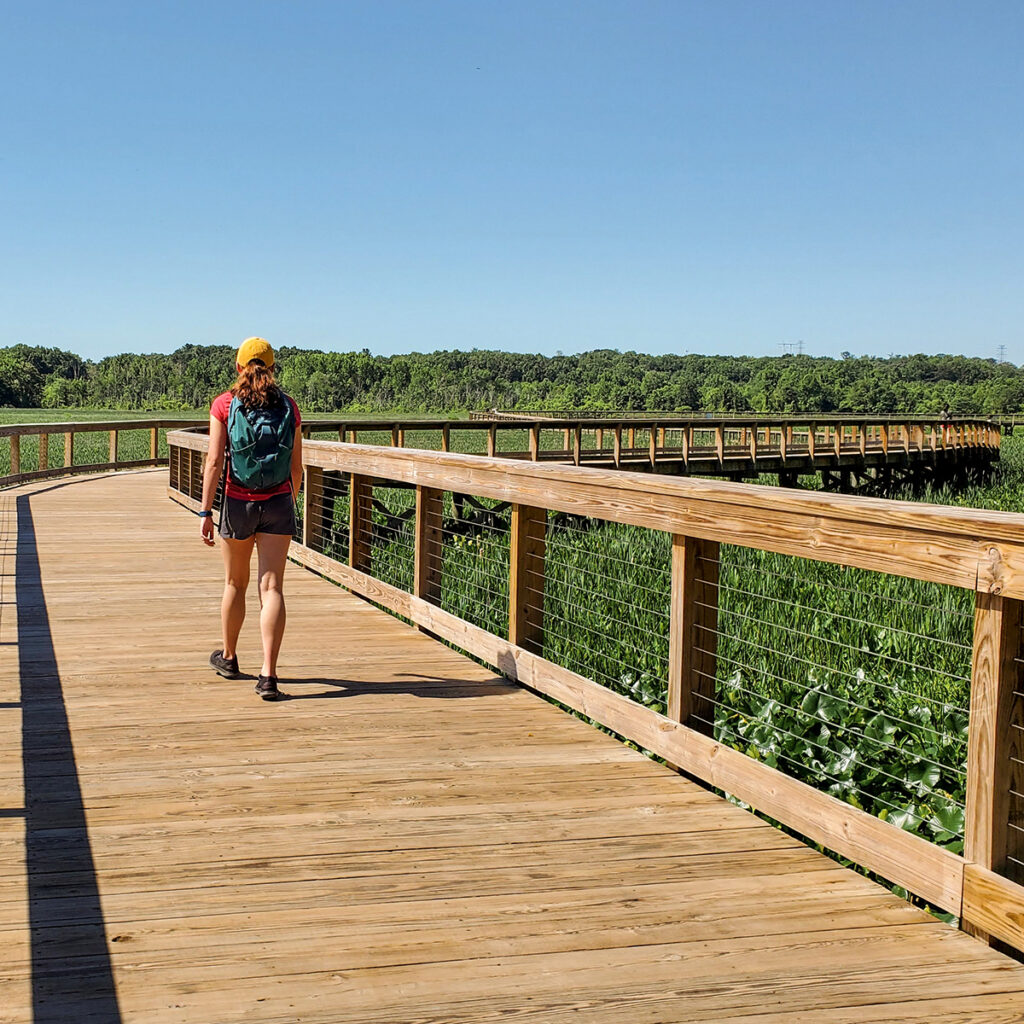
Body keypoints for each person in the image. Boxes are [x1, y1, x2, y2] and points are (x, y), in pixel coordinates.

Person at [199, 337, 303, 700]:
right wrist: (289, 500)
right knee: (271, 587)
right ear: (272, 368)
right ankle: (269, 676)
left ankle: (228, 657)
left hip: (237, 504)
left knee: (235, 584)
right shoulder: (289, 406)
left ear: (238, 368)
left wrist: (205, 510)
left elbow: (214, 461)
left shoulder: (225, 404)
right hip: (277, 502)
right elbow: (296, 468)